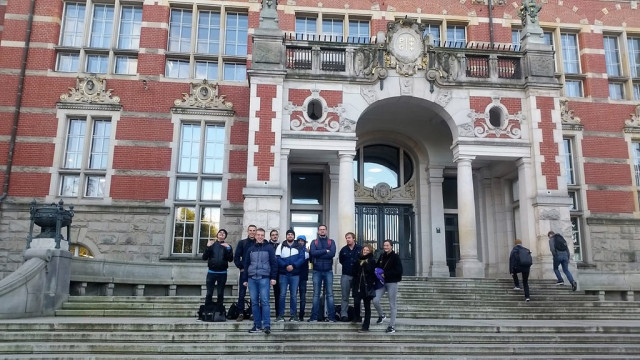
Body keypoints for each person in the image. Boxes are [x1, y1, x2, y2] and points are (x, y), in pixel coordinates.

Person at [241, 228, 278, 334]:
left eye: (262, 235)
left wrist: (273, 277)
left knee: (265, 302)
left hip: (264, 278)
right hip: (252, 278)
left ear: (264, 236)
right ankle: (257, 326)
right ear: (255, 236)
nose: (260, 237)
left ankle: (267, 326)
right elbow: (246, 264)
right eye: (258, 235)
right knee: (254, 303)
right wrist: (244, 279)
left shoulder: (269, 248)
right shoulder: (250, 248)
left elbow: (274, 263)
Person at [373, 239, 403, 333]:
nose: (385, 247)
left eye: (387, 245)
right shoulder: (382, 256)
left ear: (391, 246)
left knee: (392, 304)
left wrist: (386, 274)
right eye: (384, 245)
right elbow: (377, 266)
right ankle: (381, 315)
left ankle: (392, 326)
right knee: (375, 300)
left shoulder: (395, 257)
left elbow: (399, 271)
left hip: (392, 282)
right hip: (381, 282)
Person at [308, 224, 337, 322]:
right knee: (316, 294)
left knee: (330, 294)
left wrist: (320, 253)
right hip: (317, 271)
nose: (322, 231)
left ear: (326, 231)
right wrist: (325, 251)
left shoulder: (331, 242)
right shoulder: (314, 242)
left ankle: (332, 317)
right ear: (318, 231)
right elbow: (313, 253)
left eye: (324, 229)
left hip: (328, 271)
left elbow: (332, 254)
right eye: (320, 229)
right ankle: (314, 317)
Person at [276, 229, 305, 322]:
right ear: (286, 236)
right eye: (288, 234)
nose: (290, 236)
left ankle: (293, 315)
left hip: (295, 274)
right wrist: (285, 266)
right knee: (282, 295)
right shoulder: (280, 246)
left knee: (293, 295)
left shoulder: (299, 247)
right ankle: (281, 315)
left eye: (291, 234)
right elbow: (277, 258)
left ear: (294, 236)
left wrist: (293, 266)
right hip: (283, 274)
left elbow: (302, 258)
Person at [202, 229, 233, 307]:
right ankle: (207, 311)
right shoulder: (212, 245)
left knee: (220, 293)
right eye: (220, 232)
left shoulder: (228, 246)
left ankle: (219, 312)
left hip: (222, 273)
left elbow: (230, 259)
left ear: (225, 236)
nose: (222, 234)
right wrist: (208, 247)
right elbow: (204, 257)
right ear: (217, 234)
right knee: (209, 293)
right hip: (211, 273)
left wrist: (228, 248)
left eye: (224, 233)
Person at [233, 224, 257, 321]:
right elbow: (236, 257)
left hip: (255, 272)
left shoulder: (259, 243)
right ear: (248, 231)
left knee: (253, 294)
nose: (252, 232)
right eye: (250, 230)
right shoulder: (242, 243)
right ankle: (240, 313)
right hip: (244, 272)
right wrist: (241, 267)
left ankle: (252, 313)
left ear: (256, 232)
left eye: (254, 230)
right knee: (242, 293)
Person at [352, 244, 376, 332]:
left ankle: (366, 326)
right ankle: (357, 317)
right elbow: (354, 271)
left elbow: (371, 271)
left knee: (367, 307)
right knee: (356, 302)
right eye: (364, 250)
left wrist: (365, 264)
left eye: (367, 250)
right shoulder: (358, 259)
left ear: (370, 252)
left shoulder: (372, 260)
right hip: (358, 285)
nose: (365, 251)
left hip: (367, 286)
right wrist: (358, 264)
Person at [339, 232, 362, 322]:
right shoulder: (343, 250)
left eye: (349, 238)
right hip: (346, 275)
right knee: (345, 297)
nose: (347, 239)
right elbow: (341, 260)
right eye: (346, 238)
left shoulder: (360, 249)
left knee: (357, 297)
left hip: (357, 276)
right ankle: (344, 314)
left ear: (354, 238)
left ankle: (358, 315)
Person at [269, 229, 282, 319]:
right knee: (264, 294)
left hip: (278, 273)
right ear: (270, 236)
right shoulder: (266, 245)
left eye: (276, 235)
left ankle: (278, 314)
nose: (274, 236)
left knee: (278, 294)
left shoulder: (281, 246)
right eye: (273, 235)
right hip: (267, 272)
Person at [297, 235, 310, 321]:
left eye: (302, 241)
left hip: (303, 276)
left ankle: (301, 314)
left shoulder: (307, 251)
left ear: (305, 242)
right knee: (293, 296)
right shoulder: (294, 250)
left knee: (303, 297)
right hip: (294, 275)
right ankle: (293, 314)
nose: (300, 242)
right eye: (299, 240)